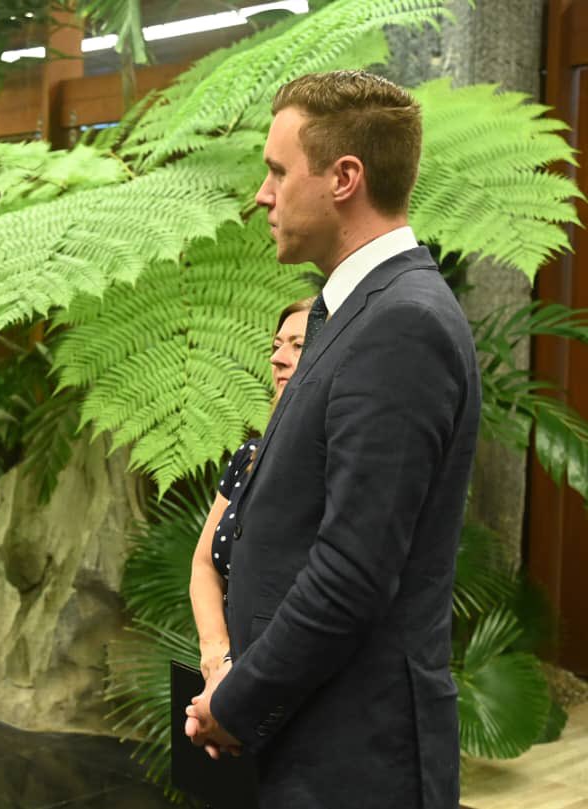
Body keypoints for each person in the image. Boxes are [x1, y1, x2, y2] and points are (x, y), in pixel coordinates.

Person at [185, 70, 481, 809]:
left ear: (344, 177)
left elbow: (351, 571)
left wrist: (235, 699)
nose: (262, 193)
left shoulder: (401, 325)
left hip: (356, 760)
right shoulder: (343, 313)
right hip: (310, 742)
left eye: (278, 171)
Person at [189, 297, 313, 681]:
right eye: (276, 345)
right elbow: (205, 563)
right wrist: (215, 652)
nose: (277, 357)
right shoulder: (249, 457)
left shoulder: (336, 467)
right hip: (225, 676)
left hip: (289, 680)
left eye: (298, 345)